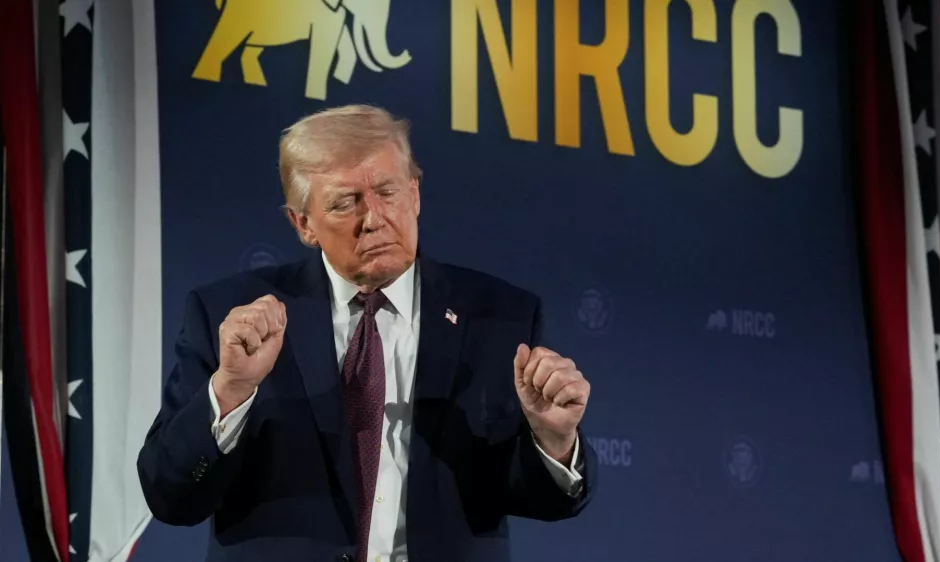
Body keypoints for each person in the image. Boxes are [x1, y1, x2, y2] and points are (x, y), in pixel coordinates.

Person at [137, 104, 597, 562]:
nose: (374, 218)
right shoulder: (230, 316)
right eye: (344, 202)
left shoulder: (500, 316)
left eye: (387, 191)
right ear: (304, 224)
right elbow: (169, 494)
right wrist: (232, 390)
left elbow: (539, 499)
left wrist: (553, 440)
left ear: (415, 194)